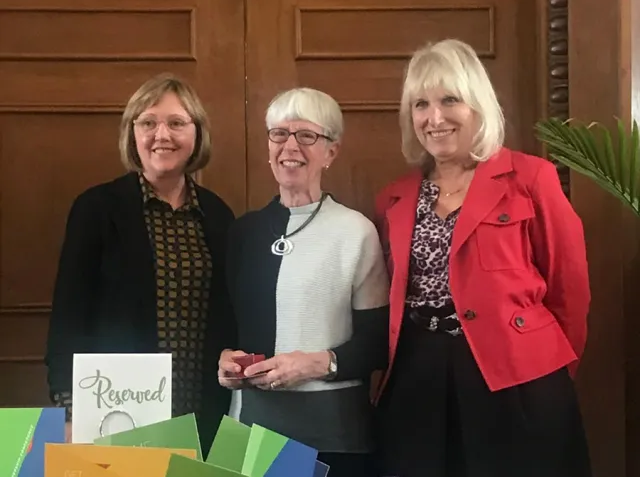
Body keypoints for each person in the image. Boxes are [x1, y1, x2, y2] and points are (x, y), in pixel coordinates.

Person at [373, 39, 592, 477]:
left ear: (477, 105)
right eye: (421, 105)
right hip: (418, 372)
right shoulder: (393, 198)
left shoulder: (530, 178)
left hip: (517, 376)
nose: (434, 118)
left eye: (449, 99)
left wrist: (548, 368)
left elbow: (570, 286)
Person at [45, 73, 235, 449]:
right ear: (132, 133)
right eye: (148, 122)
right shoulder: (96, 209)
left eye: (176, 123)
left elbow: (229, 318)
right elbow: (69, 315)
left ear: (197, 134)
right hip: (118, 413)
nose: (161, 135)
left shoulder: (218, 215)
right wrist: (70, 409)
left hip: (202, 411)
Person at [218, 87, 389, 477]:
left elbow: (376, 344)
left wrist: (317, 364)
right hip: (251, 427)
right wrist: (226, 360)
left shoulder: (356, 232)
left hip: (333, 431)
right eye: (279, 134)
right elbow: (227, 327)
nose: (290, 145)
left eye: (307, 135)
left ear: (331, 151)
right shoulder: (244, 232)